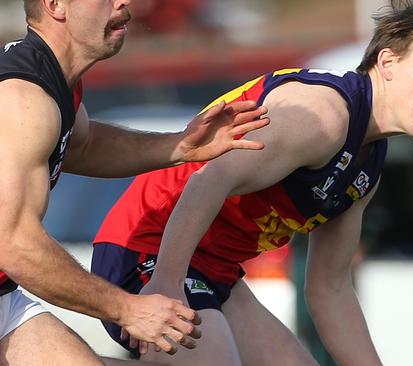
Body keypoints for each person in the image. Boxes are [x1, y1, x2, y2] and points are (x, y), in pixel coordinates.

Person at [92, 0, 413, 364]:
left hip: (213, 271)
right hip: (150, 249)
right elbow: (209, 181)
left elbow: (330, 290)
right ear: (388, 63)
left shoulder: (367, 168)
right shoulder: (324, 116)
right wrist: (166, 282)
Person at [0, 0, 269, 365]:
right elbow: (14, 245)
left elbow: (85, 146)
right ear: (55, 5)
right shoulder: (23, 98)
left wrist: (179, 145)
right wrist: (127, 309)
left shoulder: (50, 81)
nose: (123, 2)